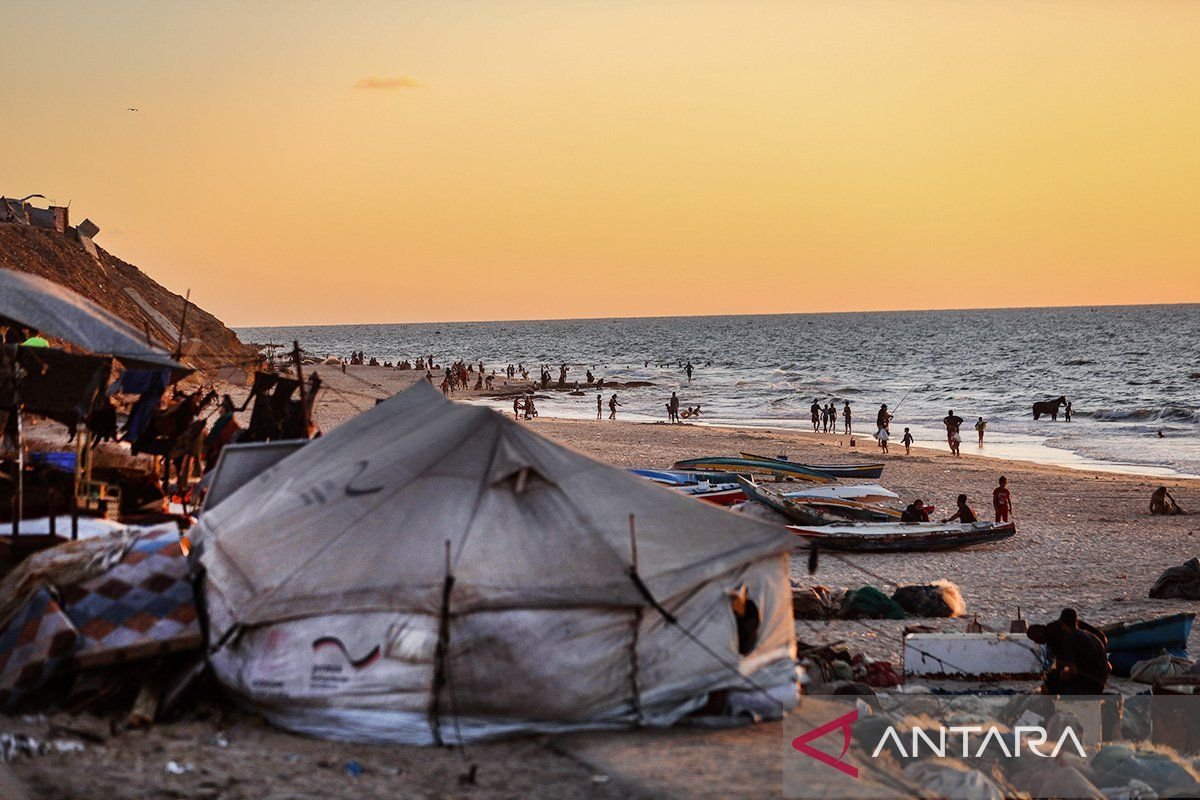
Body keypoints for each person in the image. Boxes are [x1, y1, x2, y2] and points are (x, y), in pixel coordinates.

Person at [1027, 609, 1109, 695]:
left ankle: (1051, 707)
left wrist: (1061, 674)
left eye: (1035, 639)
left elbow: (1070, 671)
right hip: (1100, 682)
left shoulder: (1067, 639)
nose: (1036, 642)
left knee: (1049, 684)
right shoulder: (1092, 636)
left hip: (1086, 683)